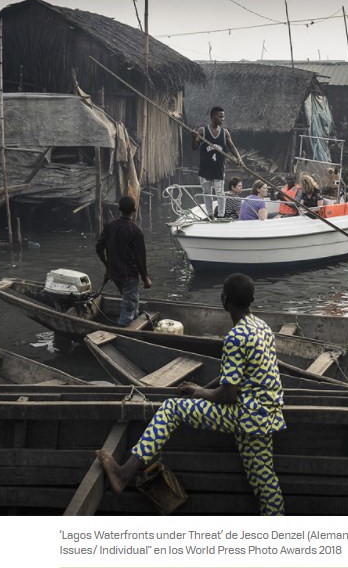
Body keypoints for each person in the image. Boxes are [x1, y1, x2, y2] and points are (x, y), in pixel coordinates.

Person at [96, 273, 286, 516]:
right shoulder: (262, 327)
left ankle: (123, 474)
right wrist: (200, 390)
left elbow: (228, 394)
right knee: (264, 478)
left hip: (244, 413)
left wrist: (204, 394)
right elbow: (235, 376)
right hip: (267, 414)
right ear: (252, 300)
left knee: (171, 409)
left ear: (224, 300)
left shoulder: (236, 337)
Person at [95, 195, 152, 326]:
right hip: (128, 276)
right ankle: (123, 333)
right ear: (134, 210)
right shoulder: (135, 230)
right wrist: (146, 278)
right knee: (129, 308)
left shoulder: (110, 225)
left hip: (114, 274)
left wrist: (108, 266)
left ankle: (135, 324)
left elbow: (99, 248)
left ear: (119, 209)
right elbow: (140, 258)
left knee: (132, 302)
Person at [192, 106, 244, 219]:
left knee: (220, 194)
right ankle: (210, 215)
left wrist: (239, 158)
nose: (222, 119)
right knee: (207, 193)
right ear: (213, 116)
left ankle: (221, 216)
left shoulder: (225, 132)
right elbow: (194, 147)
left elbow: (232, 147)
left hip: (219, 169)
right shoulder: (203, 131)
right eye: (220, 116)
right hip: (205, 170)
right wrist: (194, 138)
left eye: (223, 116)